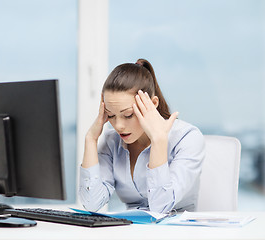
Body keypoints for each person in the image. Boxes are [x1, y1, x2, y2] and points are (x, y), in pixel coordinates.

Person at [79, 59, 205, 213]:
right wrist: (90, 139)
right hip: (132, 230)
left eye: (128, 115)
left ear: (152, 104)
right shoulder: (112, 141)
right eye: (111, 115)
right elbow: (91, 203)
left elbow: (160, 207)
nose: (118, 125)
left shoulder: (187, 138)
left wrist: (158, 140)